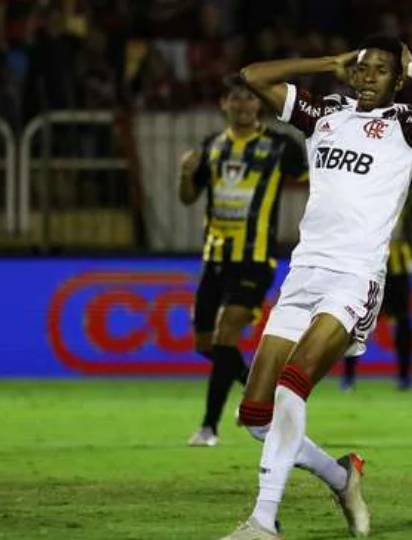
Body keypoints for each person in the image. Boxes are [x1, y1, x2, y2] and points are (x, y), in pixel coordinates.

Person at [222, 33, 412, 539]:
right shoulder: (325, 114)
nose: (367, 76)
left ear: (396, 80)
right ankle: (341, 476)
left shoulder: (407, 127)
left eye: (380, 69)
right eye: (361, 67)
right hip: (304, 272)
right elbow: (252, 76)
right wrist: (327, 62)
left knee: (293, 385)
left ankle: (263, 523)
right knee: (255, 415)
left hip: (355, 275)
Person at [179, 76, 307, 447]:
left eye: (250, 98)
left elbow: (314, 180)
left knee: (225, 334)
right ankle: (261, 393)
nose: (243, 105)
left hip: (255, 258)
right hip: (214, 257)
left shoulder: (280, 145)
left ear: (259, 104)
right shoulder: (211, 146)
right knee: (206, 344)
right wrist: (185, 174)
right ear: (224, 104)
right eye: (235, 98)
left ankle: (209, 427)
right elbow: (188, 197)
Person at [341, 175, 412, 392]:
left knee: (402, 319)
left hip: (397, 258)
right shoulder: (371, 173)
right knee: (362, 317)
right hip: (370, 256)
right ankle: (349, 377)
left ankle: (403, 377)